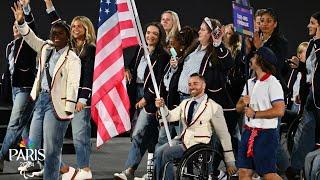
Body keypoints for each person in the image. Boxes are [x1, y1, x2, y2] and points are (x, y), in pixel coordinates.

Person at [11, 2, 81, 179]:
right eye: (54, 33)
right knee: (33, 144)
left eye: (60, 33)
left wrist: (68, 109)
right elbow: (30, 36)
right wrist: (21, 22)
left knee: (51, 148)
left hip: (56, 105)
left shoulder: (72, 58)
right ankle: (63, 170)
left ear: (67, 36)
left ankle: (52, 176)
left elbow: (74, 84)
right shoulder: (46, 48)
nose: (56, 35)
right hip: (40, 101)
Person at [43, 1, 96, 179]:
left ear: (87, 29)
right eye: (73, 26)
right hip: (64, 98)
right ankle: (62, 169)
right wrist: (49, 5)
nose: (75, 28)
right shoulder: (70, 46)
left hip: (81, 99)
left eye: (79, 26)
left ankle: (85, 170)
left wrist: (83, 99)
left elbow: (88, 75)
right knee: (54, 140)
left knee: (80, 135)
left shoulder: (90, 49)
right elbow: (57, 24)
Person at [114, 22, 170, 180]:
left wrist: (146, 99)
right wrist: (126, 69)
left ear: (159, 38)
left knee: (138, 134)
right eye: (148, 32)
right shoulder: (141, 49)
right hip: (137, 94)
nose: (150, 36)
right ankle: (150, 173)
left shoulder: (163, 55)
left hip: (150, 99)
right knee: (150, 137)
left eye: (155, 34)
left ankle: (128, 171)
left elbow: (158, 80)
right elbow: (132, 65)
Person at [154, 73, 237, 180]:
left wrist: (230, 161)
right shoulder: (185, 103)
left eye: (195, 84)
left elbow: (224, 135)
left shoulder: (214, 107)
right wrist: (162, 107)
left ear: (203, 86)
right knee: (159, 151)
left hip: (199, 145)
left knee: (167, 153)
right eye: (189, 84)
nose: (192, 87)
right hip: (183, 141)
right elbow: (170, 116)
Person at [236, 47, 285, 180]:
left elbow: (280, 110)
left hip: (266, 135)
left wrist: (255, 114)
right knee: (244, 172)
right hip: (248, 133)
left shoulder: (273, 83)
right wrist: (243, 102)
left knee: (268, 174)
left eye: (254, 56)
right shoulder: (249, 83)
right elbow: (238, 107)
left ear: (261, 61)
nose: (250, 59)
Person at [0, 0, 36, 173]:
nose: (16, 28)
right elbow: (9, 71)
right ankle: (32, 160)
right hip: (15, 90)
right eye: (14, 25)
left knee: (14, 125)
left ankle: (0, 157)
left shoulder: (29, 42)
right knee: (25, 128)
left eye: (19, 25)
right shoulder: (9, 46)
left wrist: (26, 12)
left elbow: (31, 27)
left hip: (26, 89)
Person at [287, 11, 320, 179]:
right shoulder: (313, 44)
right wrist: (299, 65)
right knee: (304, 133)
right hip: (310, 97)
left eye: (313, 23)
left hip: (318, 99)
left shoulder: (318, 44)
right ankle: (295, 169)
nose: (309, 26)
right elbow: (311, 72)